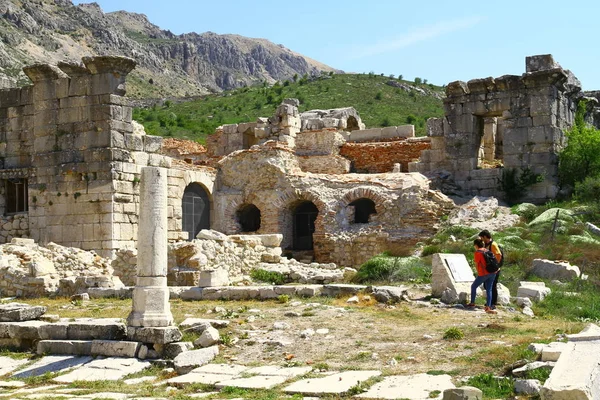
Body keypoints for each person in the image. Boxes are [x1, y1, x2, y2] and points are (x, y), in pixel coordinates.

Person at [466, 238, 497, 314]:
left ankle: (472, 302)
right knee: (489, 289)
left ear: (476, 245)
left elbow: (477, 264)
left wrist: (479, 273)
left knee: (474, 286)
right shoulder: (488, 251)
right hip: (493, 272)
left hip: (484, 273)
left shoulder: (478, 252)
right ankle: (488, 307)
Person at [479, 230, 502, 310]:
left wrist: (496, 265)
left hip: (494, 269)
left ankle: (493, 303)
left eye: (481, 237)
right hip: (489, 269)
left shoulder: (493, 244)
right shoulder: (486, 245)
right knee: (487, 285)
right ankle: (490, 302)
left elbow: (499, 255)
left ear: (485, 236)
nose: (481, 239)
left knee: (492, 285)